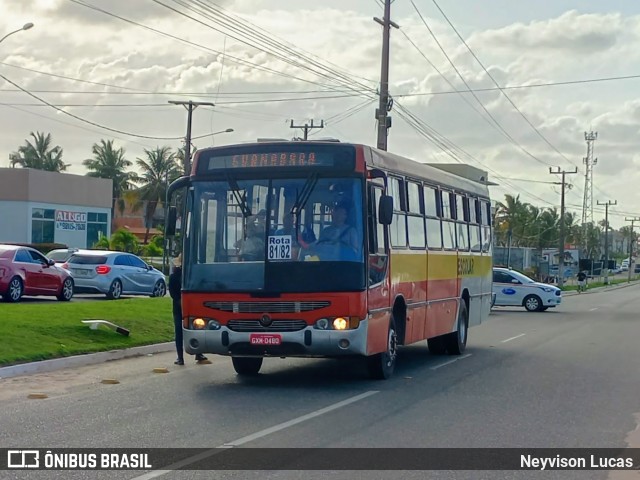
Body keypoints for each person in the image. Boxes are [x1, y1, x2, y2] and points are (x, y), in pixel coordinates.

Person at [168, 254, 207, 365]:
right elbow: (173, 293)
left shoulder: (194, 275)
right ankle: (180, 357)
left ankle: (198, 353)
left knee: (197, 328)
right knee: (179, 331)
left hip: (192, 307)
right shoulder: (175, 276)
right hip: (178, 308)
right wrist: (180, 301)